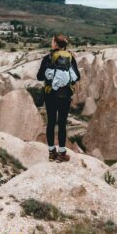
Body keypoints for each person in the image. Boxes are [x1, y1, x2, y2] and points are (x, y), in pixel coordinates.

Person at [36, 33, 80, 162]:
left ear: (55, 44)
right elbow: (77, 76)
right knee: (62, 123)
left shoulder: (48, 57)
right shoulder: (70, 57)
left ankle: (51, 152)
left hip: (50, 94)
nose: (51, 43)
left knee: (51, 122)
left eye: (52, 41)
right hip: (65, 95)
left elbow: (39, 77)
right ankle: (62, 153)